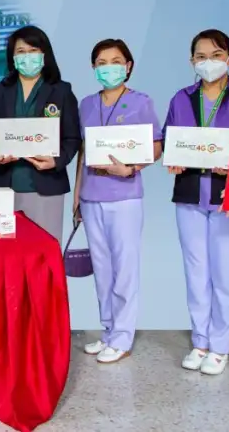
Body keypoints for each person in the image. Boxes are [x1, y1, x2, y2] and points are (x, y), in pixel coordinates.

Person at [162, 29, 229, 375]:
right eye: (201, 56)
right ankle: (200, 341)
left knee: (225, 275)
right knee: (196, 274)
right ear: (192, 61)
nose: (209, 62)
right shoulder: (181, 99)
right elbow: (170, 139)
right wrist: (172, 159)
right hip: (189, 195)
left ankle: (220, 347)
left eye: (216, 55)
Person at [73, 38, 162, 364]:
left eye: (115, 61)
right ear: (93, 68)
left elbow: (156, 146)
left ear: (128, 66)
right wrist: (77, 195)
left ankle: (123, 337)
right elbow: (83, 151)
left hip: (124, 196)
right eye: (101, 62)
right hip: (91, 196)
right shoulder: (86, 104)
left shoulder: (141, 102)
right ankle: (108, 331)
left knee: (124, 268)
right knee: (102, 268)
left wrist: (131, 168)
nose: (108, 68)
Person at [0, 25, 81, 243]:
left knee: (45, 249)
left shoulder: (61, 91)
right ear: (13, 57)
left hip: (47, 185)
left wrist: (55, 161)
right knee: (9, 253)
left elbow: (72, 137)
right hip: (7, 184)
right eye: (21, 51)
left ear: (44, 54)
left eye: (33, 50)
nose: (27, 56)